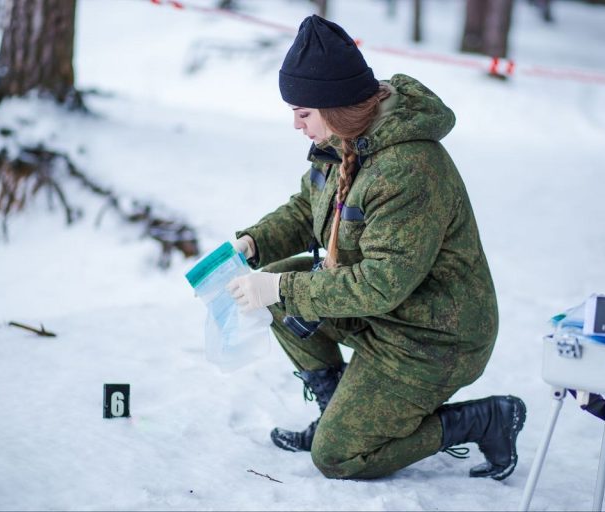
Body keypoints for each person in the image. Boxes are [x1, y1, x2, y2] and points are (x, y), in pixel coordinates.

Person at [225, 14, 525, 481]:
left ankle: (485, 420)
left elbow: (381, 284)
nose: (297, 126)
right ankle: (338, 411)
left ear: (334, 105)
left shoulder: (407, 169)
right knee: (280, 289)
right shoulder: (345, 145)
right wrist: (253, 243)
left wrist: (281, 287)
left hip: (430, 338)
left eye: (303, 114)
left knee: (338, 458)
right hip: (381, 314)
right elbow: (308, 208)